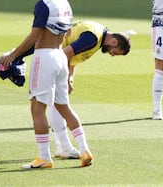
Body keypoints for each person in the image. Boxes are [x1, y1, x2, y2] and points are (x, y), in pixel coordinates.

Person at [0, 0, 93, 169]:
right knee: (64, 107)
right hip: (61, 57)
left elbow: (35, 36)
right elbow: (66, 33)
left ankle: (44, 158)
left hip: (45, 58)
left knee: (37, 108)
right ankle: (85, 150)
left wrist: (12, 56)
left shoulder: (44, 4)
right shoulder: (64, 1)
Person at [49, 20, 131, 159]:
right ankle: (63, 147)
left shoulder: (97, 36)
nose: (112, 54)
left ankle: (62, 147)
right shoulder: (93, 38)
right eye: (115, 53)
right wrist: (66, 76)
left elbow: (73, 54)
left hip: (53, 55)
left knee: (56, 104)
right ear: (114, 43)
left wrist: (70, 78)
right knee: (59, 104)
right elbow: (66, 53)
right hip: (54, 57)